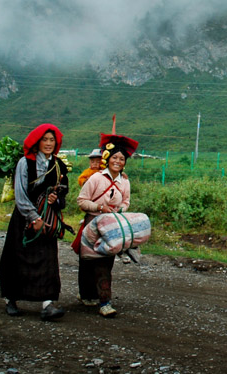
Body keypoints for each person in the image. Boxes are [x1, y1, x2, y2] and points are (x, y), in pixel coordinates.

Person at [0, 123, 70, 321]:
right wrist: (33, 217)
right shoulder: (24, 163)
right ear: (37, 142)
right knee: (17, 257)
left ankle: (47, 304)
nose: (48, 143)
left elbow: (63, 190)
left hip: (46, 219)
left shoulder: (58, 165)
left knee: (47, 260)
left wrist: (56, 199)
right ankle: (11, 299)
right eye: (44, 139)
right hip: (24, 219)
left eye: (51, 140)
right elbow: (21, 194)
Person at [76, 132, 138, 317]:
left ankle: (105, 302)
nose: (118, 161)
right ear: (107, 159)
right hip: (92, 223)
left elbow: (126, 201)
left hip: (111, 225)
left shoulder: (125, 182)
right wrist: (98, 207)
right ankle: (87, 294)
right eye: (115, 157)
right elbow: (81, 201)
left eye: (122, 158)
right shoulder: (95, 179)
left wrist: (120, 210)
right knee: (87, 261)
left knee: (105, 262)